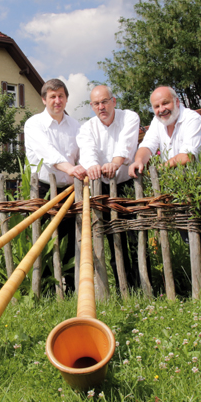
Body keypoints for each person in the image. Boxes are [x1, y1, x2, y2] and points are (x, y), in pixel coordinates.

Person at [128, 86, 201, 294]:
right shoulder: (159, 124)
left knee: (199, 234)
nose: (161, 109)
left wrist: (156, 170)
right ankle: (198, 286)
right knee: (188, 235)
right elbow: (147, 146)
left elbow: (187, 157)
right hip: (179, 186)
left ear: (177, 102)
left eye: (165, 103)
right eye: (156, 106)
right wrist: (139, 161)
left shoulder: (192, 120)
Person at [76, 85, 141, 290]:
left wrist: (115, 161)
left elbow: (126, 143)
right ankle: (124, 288)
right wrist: (93, 165)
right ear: (92, 106)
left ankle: (143, 286)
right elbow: (87, 150)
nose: (101, 107)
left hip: (129, 184)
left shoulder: (129, 117)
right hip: (104, 188)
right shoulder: (87, 127)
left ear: (114, 101)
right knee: (114, 239)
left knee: (137, 236)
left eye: (105, 101)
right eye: (96, 103)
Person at [24, 78, 84, 292]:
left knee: (70, 241)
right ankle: (47, 291)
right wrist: (71, 168)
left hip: (69, 191)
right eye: (52, 97)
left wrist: (84, 167)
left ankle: (70, 291)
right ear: (44, 99)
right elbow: (47, 152)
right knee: (45, 241)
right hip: (43, 189)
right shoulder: (33, 124)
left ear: (66, 99)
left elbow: (84, 153)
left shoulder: (76, 126)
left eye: (61, 96)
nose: (57, 101)